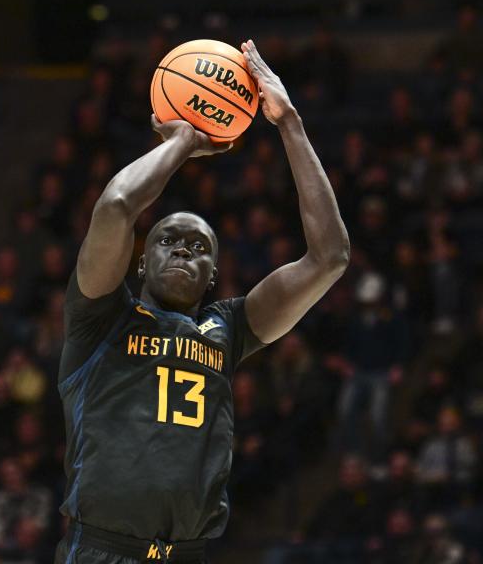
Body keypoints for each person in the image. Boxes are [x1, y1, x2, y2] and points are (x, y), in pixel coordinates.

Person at [55, 41, 350, 563]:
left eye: (200, 248)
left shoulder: (230, 328)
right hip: (103, 549)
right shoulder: (101, 316)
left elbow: (330, 257)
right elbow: (118, 205)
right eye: (168, 239)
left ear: (213, 276)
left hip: (190, 553)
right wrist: (182, 142)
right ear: (141, 261)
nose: (184, 250)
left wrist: (290, 124)